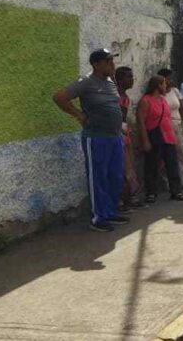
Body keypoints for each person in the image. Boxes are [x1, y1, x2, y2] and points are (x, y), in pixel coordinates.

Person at [53, 49, 127, 232]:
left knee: (115, 175)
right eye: (108, 61)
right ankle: (98, 218)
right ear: (97, 64)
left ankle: (110, 211)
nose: (112, 65)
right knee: (98, 177)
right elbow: (59, 97)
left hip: (115, 136)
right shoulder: (86, 82)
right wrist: (78, 115)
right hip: (96, 138)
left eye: (112, 61)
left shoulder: (110, 82)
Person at [137, 76, 183, 203]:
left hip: (167, 135)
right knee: (152, 165)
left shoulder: (163, 100)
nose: (166, 86)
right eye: (164, 84)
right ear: (158, 85)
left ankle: (176, 190)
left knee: (171, 163)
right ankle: (151, 192)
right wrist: (145, 140)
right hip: (154, 134)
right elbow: (141, 121)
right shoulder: (146, 101)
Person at [158, 68, 183, 190]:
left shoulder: (175, 91)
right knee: (165, 156)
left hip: (177, 124)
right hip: (164, 127)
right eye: (168, 78)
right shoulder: (158, 94)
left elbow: (182, 109)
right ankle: (167, 181)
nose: (170, 80)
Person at [115, 66, 143, 211]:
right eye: (128, 77)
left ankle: (128, 198)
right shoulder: (115, 97)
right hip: (117, 135)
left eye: (132, 77)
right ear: (119, 80)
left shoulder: (126, 98)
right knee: (120, 169)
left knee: (129, 168)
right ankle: (120, 200)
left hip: (125, 135)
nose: (131, 80)